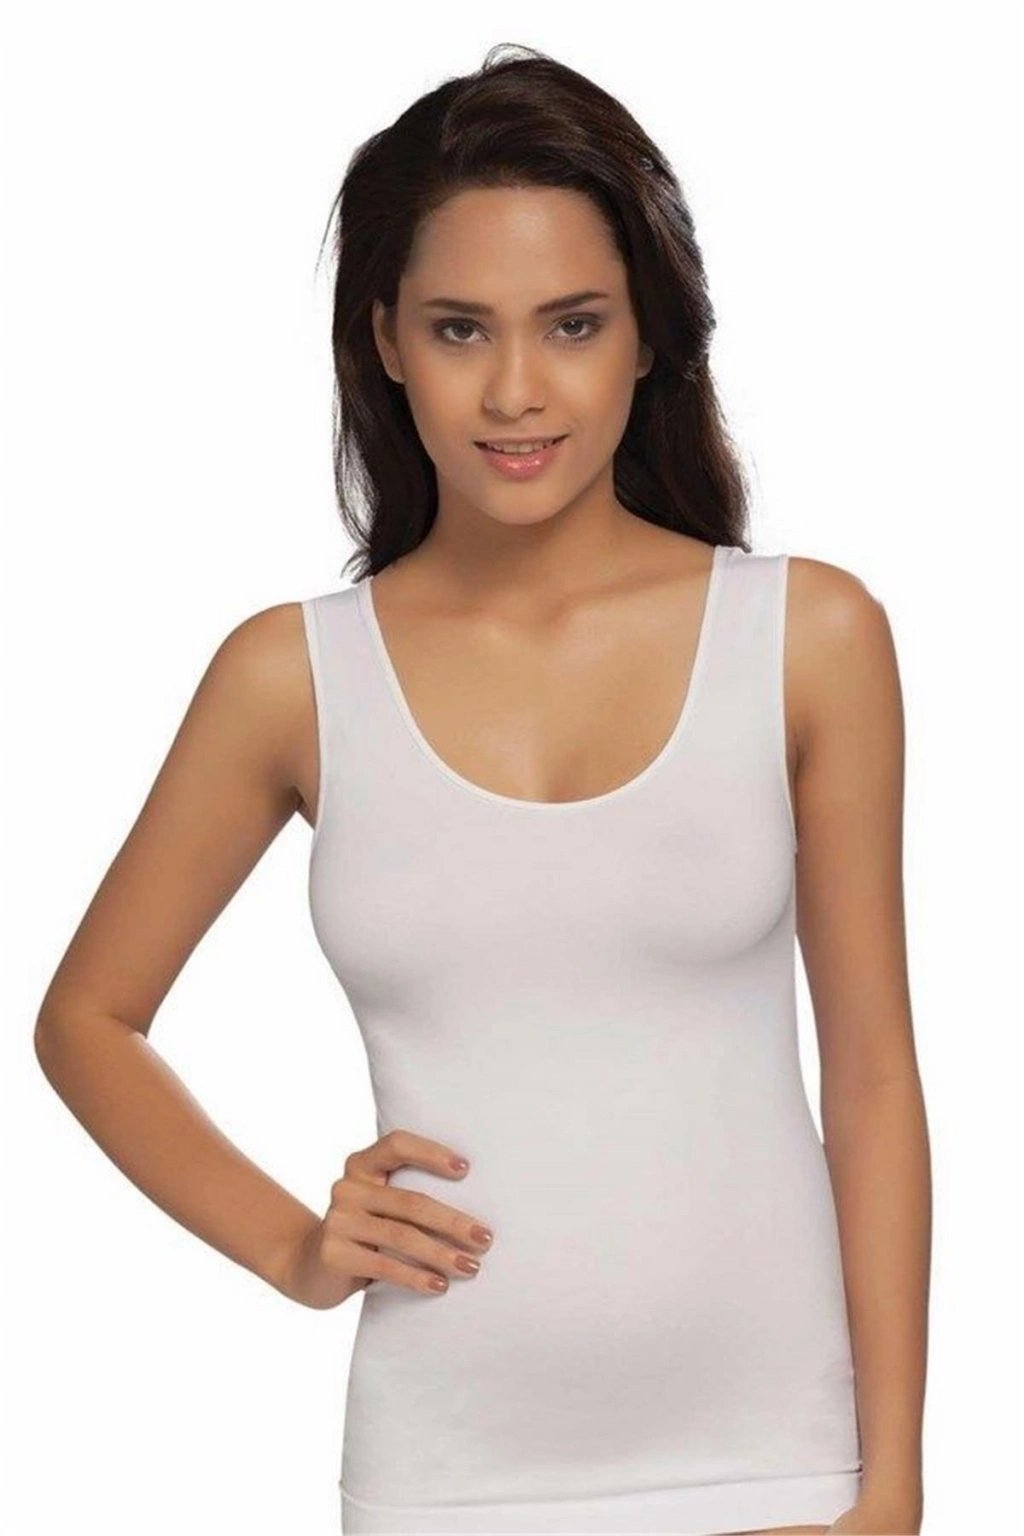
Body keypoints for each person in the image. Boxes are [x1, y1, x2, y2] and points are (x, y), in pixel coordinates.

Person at [34, 42, 930, 1536]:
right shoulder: (290, 678)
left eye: (573, 324)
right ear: (386, 341)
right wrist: (293, 1247)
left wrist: (889, 1484)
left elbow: (878, 1078)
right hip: (445, 1472)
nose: (517, 391)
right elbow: (87, 1020)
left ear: (649, 337)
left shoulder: (809, 638)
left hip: (776, 1458)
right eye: (461, 329)